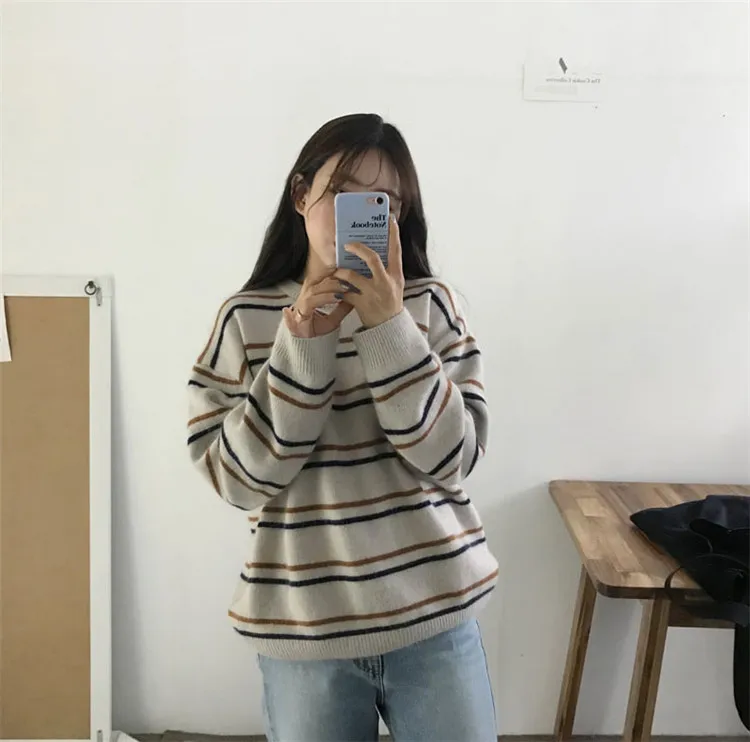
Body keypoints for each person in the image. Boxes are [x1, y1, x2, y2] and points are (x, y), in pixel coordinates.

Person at [187, 113, 499, 742]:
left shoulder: (430, 306)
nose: (363, 214)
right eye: (344, 192)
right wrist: (302, 344)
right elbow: (239, 481)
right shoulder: (246, 320)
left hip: (434, 616)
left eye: (383, 202)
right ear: (301, 195)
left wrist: (390, 328)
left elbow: (452, 459)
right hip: (305, 631)